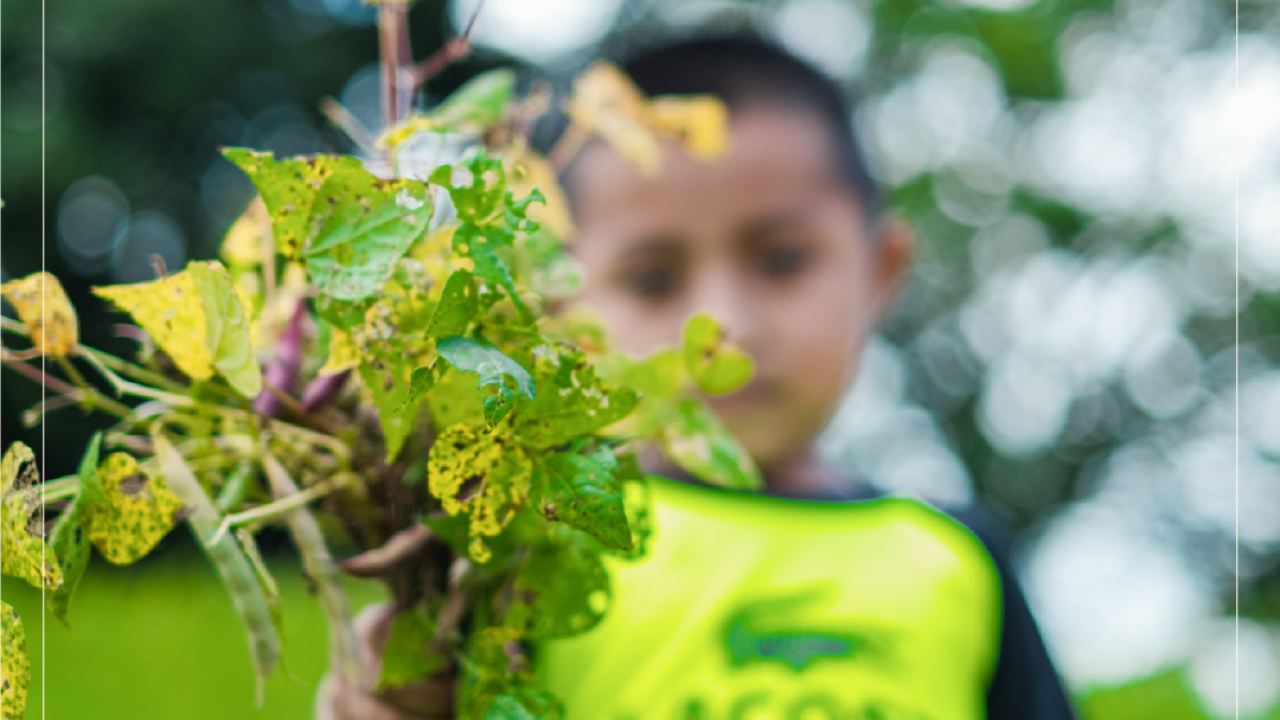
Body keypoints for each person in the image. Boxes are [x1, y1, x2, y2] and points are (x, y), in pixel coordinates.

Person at [319, 34, 1077, 720]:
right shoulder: (530, 558)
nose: (725, 327)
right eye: (652, 281)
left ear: (880, 273)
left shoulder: (959, 560)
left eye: (782, 261)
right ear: (558, 304)